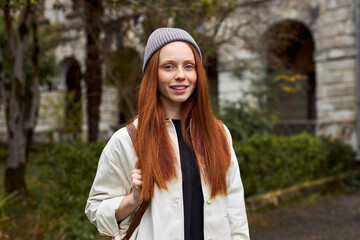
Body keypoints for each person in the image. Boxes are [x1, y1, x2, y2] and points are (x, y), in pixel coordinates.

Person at [85, 27, 250, 240]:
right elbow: (95, 210)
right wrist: (133, 199)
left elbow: (235, 210)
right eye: (169, 67)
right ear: (153, 73)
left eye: (189, 66)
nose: (180, 75)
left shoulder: (219, 134)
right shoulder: (127, 140)